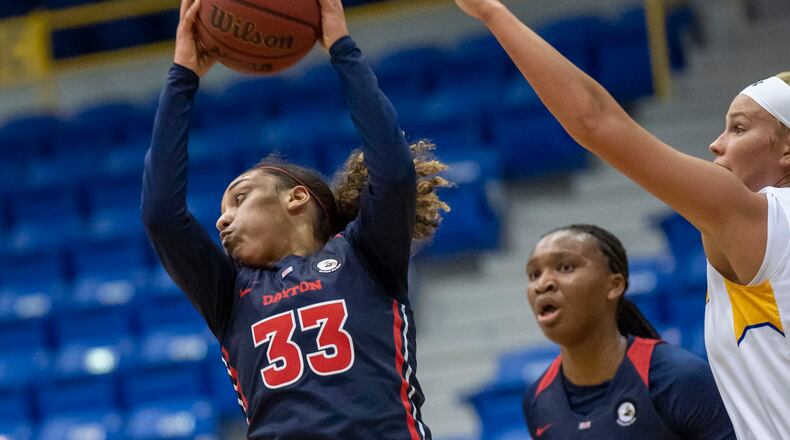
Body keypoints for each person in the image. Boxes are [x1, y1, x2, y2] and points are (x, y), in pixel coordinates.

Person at [453, 1, 790, 437]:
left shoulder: (758, 218)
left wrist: (492, 13)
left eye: (739, 129)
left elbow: (595, 121)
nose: (716, 144)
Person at [141, 0, 451, 437]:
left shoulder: (365, 255)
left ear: (296, 198)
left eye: (240, 199)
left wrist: (342, 49)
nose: (221, 221)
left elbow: (395, 174)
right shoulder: (229, 293)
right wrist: (181, 78)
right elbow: (161, 216)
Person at [523, 224, 734, 439]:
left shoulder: (680, 378)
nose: (542, 284)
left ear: (614, 285)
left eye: (565, 267)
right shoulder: (538, 398)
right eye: (534, 274)